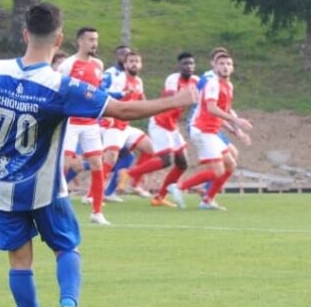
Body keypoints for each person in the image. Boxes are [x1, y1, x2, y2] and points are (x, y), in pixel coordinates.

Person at [0, 2, 197, 307]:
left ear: (24, 34)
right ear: (60, 38)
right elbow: (122, 110)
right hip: (45, 187)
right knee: (67, 247)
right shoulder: (61, 85)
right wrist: (177, 99)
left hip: (1, 185)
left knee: (20, 263)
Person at [169, 49, 252, 211]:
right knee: (217, 170)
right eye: (221, 64)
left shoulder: (228, 85)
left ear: (233, 68)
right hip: (202, 130)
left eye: (228, 64)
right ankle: (179, 187)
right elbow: (212, 108)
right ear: (214, 66)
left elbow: (225, 111)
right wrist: (236, 121)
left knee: (230, 165)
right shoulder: (212, 83)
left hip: (212, 131)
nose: (225, 67)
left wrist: (237, 131)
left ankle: (207, 200)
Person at [124, 51, 200, 206]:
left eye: (191, 64)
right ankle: (128, 174)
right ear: (179, 66)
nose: (189, 67)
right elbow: (173, 97)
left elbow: (207, 88)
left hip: (172, 125)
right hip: (160, 122)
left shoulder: (196, 81)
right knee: (166, 161)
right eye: (185, 64)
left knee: (182, 163)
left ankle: (159, 197)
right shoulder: (173, 79)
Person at [58, 27, 110, 225]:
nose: (94, 43)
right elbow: (59, 90)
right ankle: (53, 206)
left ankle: (97, 212)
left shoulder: (98, 64)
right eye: (90, 40)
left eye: (96, 39)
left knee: (98, 164)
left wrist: (105, 113)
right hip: (70, 122)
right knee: (65, 165)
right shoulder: (68, 65)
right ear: (80, 41)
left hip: (90, 123)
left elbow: (98, 92)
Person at [101, 50, 158, 197]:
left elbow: (141, 100)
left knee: (149, 148)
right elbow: (108, 97)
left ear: (141, 64)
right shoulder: (120, 79)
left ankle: (135, 184)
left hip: (125, 126)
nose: (134, 64)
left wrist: (153, 110)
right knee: (111, 159)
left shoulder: (138, 81)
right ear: (125, 64)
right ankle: (93, 193)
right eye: (131, 61)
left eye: (137, 61)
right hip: (113, 125)